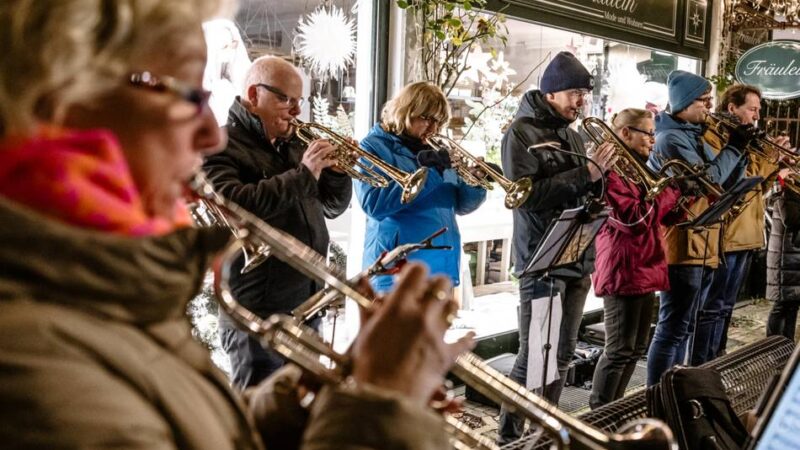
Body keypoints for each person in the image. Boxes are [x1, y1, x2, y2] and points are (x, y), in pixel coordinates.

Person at [0, 1, 473, 449]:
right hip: (262, 292)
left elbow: (198, 429)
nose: (206, 131)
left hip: (302, 292)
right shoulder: (30, 353)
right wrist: (377, 408)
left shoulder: (115, 291)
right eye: (182, 93)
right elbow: (239, 203)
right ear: (60, 100)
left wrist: (293, 402)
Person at [203, 56, 352, 388]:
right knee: (258, 422)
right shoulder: (220, 145)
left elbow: (331, 207)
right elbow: (235, 205)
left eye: (299, 102)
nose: (296, 111)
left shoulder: (294, 145)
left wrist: (338, 177)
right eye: (286, 99)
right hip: (258, 314)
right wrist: (304, 174)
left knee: (299, 416)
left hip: (308, 304)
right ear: (254, 94)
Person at [497, 51, 617, 444]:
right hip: (542, 260)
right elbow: (526, 197)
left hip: (576, 256)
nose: (580, 102)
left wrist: (600, 183)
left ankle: (543, 431)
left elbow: (583, 186)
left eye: (584, 93)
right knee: (536, 359)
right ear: (550, 93)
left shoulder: (574, 132)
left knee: (562, 355)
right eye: (573, 93)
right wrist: (586, 172)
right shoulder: (521, 132)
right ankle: (510, 437)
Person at [646, 70, 750, 386]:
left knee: (686, 325)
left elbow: (723, 183)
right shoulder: (672, 138)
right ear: (686, 103)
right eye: (704, 101)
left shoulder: (693, 134)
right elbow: (709, 180)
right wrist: (733, 147)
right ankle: (658, 393)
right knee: (673, 326)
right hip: (681, 243)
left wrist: (742, 150)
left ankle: (676, 390)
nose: (709, 107)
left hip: (702, 241)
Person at [589, 109, 682, 409]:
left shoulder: (638, 167)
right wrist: (667, 195)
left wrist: (682, 195)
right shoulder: (611, 171)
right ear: (626, 133)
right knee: (618, 350)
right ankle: (599, 413)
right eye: (648, 134)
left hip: (646, 265)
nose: (653, 142)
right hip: (623, 267)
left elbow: (658, 214)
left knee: (636, 348)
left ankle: (613, 410)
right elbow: (634, 217)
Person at [356, 81, 487, 293]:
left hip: (440, 269)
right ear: (406, 111)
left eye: (439, 121)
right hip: (397, 273)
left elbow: (461, 206)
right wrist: (433, 173)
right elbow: (374, 204)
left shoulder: (437, 150)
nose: (434, 129)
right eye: (427, 119)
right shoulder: (373, 147)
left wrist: (475, 181)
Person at [692, 84, 781, 363]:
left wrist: (774, 165)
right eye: (752, 109)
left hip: (748, 233)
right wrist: (770, 162)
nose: (757, 116)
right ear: (732, 108)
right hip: (729, 233)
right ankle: (704, 363)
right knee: (713, 306)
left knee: (726, 305)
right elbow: (735, 179)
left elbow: (758, 186)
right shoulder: (718, 136)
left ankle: (718, 356)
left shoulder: (747, 138)